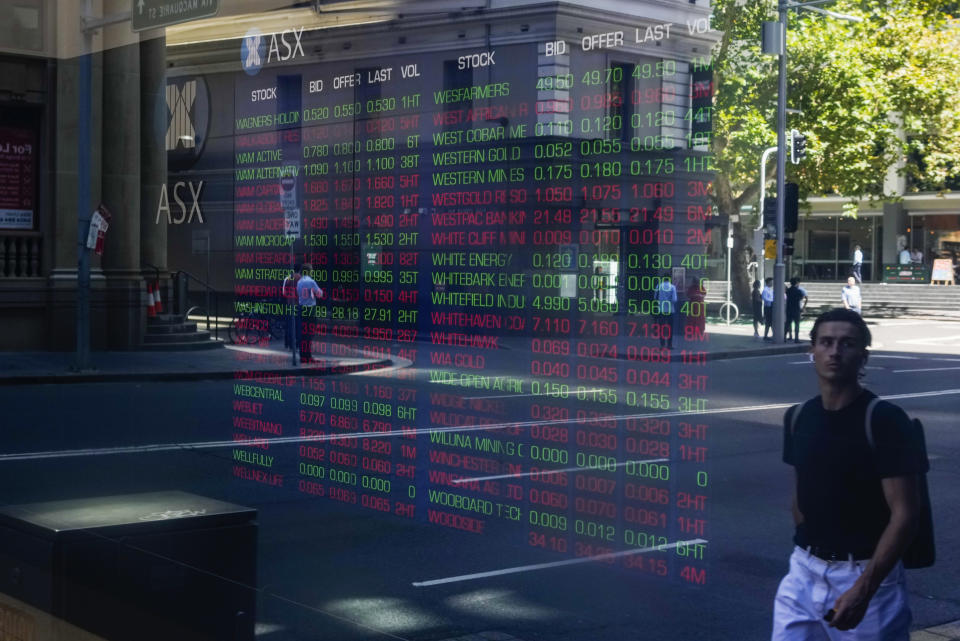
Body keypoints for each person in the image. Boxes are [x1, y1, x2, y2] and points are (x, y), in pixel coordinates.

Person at [772, 308, 927, 641]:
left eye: (847, 344)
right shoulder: (798, 417)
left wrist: (864, 587)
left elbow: (905, 515)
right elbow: (800, 498)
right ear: (811, 350)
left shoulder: (885, 420)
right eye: (826, 342)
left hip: (865, 575)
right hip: (803, 571)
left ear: (863, 356)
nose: (835, 352)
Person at [295, 263, 323, 363]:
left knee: (303, 333)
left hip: (302, 308)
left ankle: (303, 356)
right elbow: (319, 294)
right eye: (311, 270)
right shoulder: (311, 282)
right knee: (309, 334)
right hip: (310, 309)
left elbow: (298, 294)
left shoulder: (299, 282)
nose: (312, 272)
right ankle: (308, 356)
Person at [281, 264, 301, 350]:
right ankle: (297, 345)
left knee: (289, 325)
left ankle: (288, 344)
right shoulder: (301, 279)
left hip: (289, 305)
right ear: (300, 270)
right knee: (298, 325)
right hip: (298, 305)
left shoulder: (287, 278)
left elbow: (284, 293)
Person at [654, 272, 677, 350]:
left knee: (662, 328)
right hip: (671, 310)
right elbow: (674, 299)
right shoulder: (672, 287)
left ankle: (662, 345)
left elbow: (655, 298)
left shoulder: (658, 286)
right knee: (670, 328)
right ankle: (669, 345)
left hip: (661, 310)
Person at [785, 277, 808, 343]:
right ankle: (796, 338)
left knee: (787, 323)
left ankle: (784, 337)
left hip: (789, 309)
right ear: (797, 283)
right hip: (796, 309)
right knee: (797, 324)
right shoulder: (798, 291)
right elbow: (801, 298)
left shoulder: (788, 290)